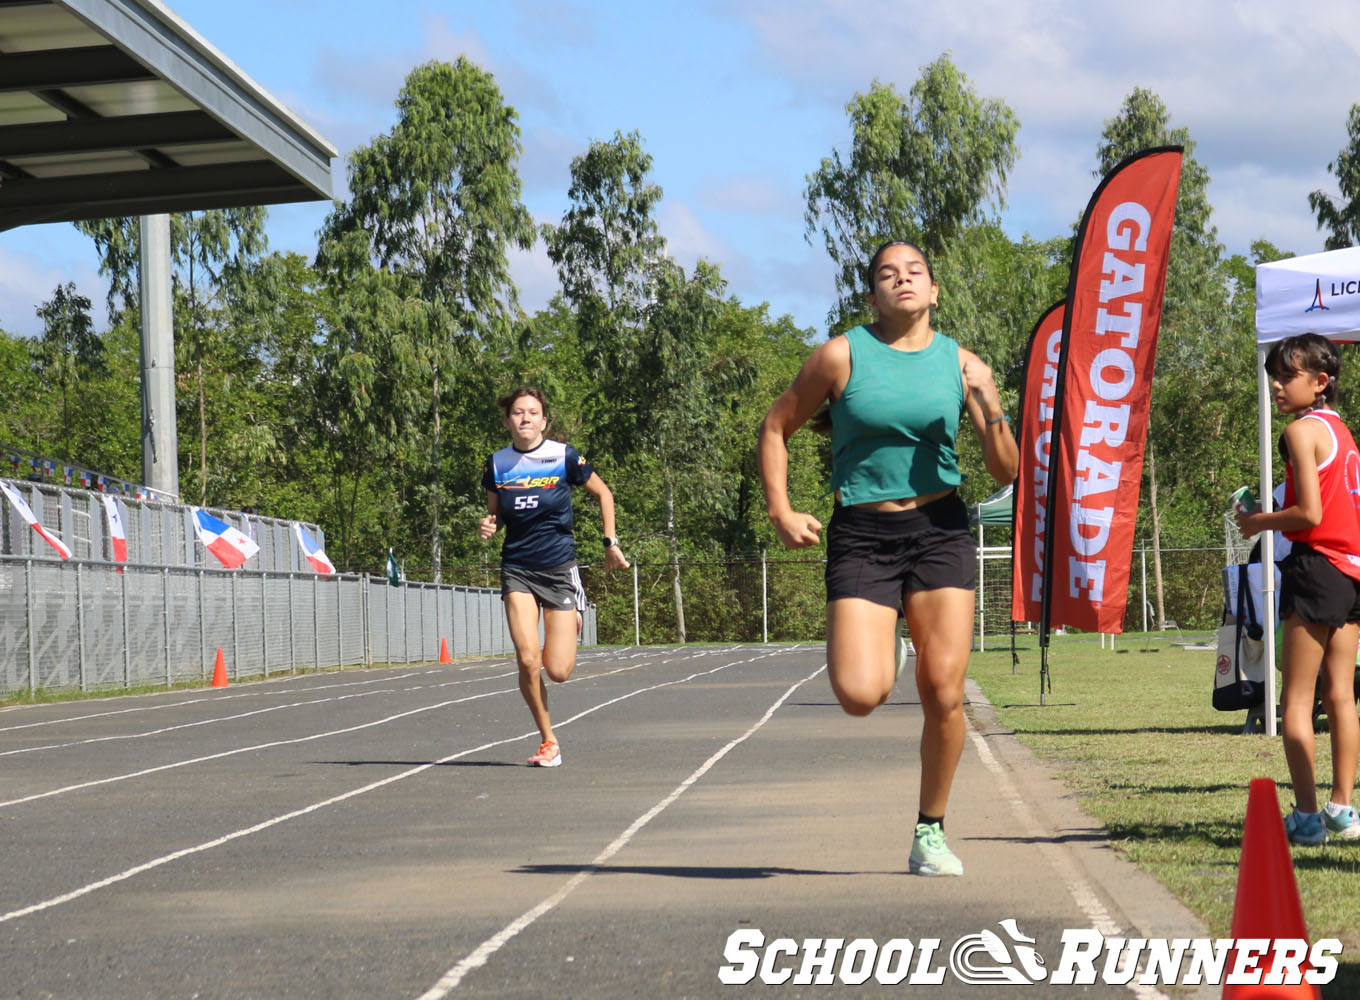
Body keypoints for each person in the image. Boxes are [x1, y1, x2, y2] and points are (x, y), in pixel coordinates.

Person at [757, 240, 1018, 875]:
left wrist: (989, 402)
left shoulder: (963, 365)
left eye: (914, 272)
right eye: (886, 274)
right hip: (863, 535)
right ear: (871, 293)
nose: (901, 281)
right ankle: (889, 643)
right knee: (859, 693)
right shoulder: (841, 356)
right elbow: (774, 428)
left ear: (934, 291)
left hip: (940, 529)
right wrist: (782, 511)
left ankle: (930, 830)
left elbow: (1006, 469)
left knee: (944, 691)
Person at [1236, 333, 1360, 844]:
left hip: (1315, 569)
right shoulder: (1343, 432)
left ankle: (1307, 819)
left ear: (1320, 381)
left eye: (1288, 376)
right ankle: (1343, 811)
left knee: (1295, 699)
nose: (1278, 387)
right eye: (1276, 378)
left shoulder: (1300, 431)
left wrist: (1259, 521)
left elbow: (1309, 512)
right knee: (1343, 697)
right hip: (1351, 573)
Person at [479, 387, 629, 767]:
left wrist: (610, 542)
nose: (525, 418)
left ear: (544, 421)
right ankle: (548, 740)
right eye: (518, 412)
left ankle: (572, 616)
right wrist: (488, 526)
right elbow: (495, 515)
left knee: (558, 671)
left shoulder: (564, 456)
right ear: (508, 421)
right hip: (517, 568)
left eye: (533, 412)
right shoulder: (497, 464)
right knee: (528, 660)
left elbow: (604, 494)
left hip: (559, 569)